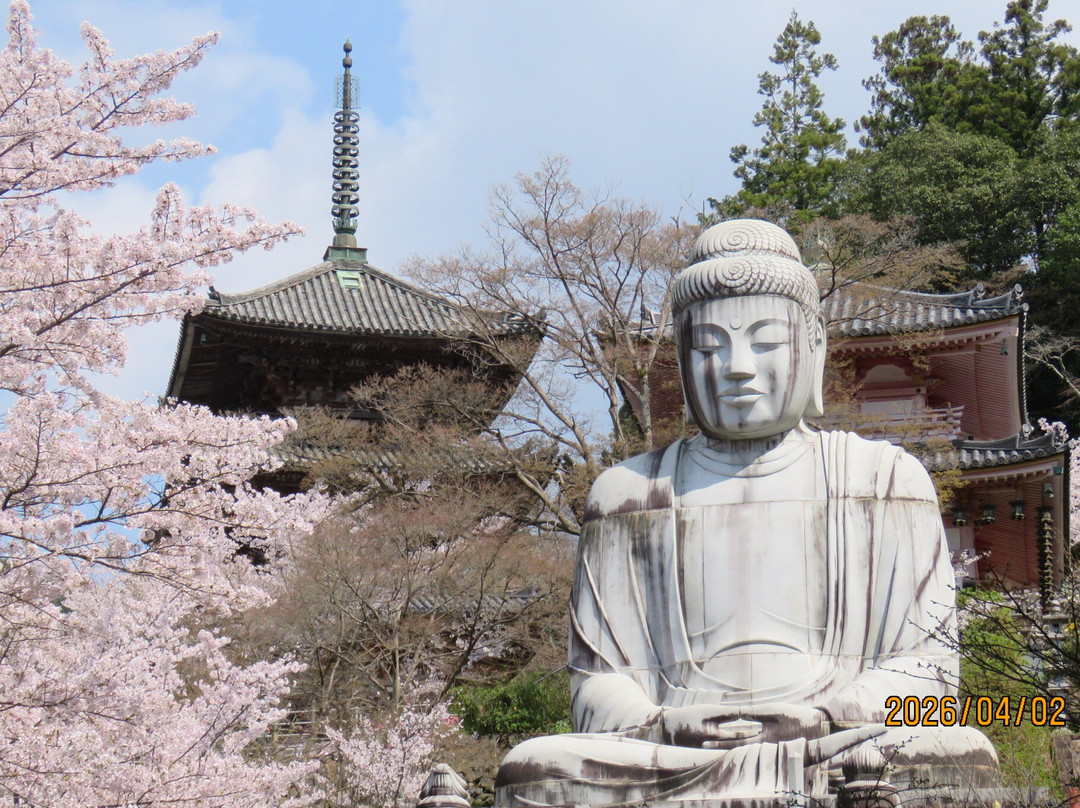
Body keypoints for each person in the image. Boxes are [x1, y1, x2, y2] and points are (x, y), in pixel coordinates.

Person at [494, 219, 997, 806]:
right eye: (709, 346)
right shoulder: (627, 493)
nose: (735, 366)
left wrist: (828, 714)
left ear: (814, 347)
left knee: (955, 755)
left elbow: (932, 674)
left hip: (838, 745)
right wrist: (665, 724)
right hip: (673, 753)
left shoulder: (885, 479)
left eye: (764, 342)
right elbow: (597, 683)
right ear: (681, 361)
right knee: (535, 769)